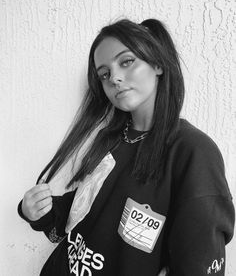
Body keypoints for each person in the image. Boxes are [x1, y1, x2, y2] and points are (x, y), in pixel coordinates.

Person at [18, 18, 235, 276]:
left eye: (126, 62)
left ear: (157, 64)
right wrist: (39, 210)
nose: (115, 79)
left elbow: (199, 260)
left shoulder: (192, 151)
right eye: (104, 74)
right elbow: (85, 210)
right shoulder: (110, 138)